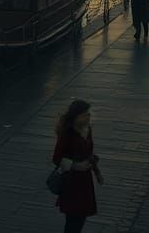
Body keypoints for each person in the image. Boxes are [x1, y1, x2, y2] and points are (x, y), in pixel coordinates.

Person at [51, 99, 103, 233]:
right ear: (77, 116)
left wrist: (96, 171)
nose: (88, 116)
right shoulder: (67, 133)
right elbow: (57, 157)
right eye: (85, 114)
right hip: (71, 182)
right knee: (73, 218)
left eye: (88, 114)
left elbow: (89, 151)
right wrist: (76, 165)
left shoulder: (87, 129)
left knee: (81, 216)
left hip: (85, 180)